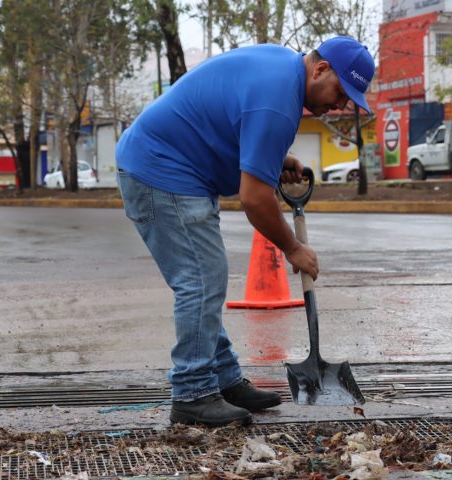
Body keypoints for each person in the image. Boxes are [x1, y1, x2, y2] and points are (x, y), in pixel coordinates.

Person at [115, 36, 374, 427]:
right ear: (320, 69)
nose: (339, 105)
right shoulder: (278, 100)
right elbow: (254, 199)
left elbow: (234, 117)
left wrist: (271, 157)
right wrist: (293, 247)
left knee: (205, 278)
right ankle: (192, 393)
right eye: (341, 91)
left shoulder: (281, 70)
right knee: (201, 279)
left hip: (175, 169)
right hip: (161, 170)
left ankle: (222, 379)